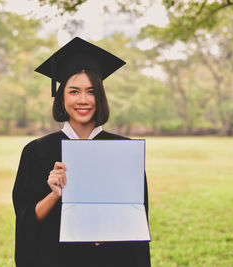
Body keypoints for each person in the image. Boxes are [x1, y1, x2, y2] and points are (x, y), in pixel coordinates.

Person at [12, 37, 151, 267]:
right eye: (74, 91)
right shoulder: (36, 152)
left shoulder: (123, 152)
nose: (83, 100)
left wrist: (105, 229)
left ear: (101, 96)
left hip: (112, 260)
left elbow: (137, 218)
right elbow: (26, 221)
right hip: (55, 259)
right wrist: (54, 194)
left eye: (91, 91)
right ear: (62, 96)